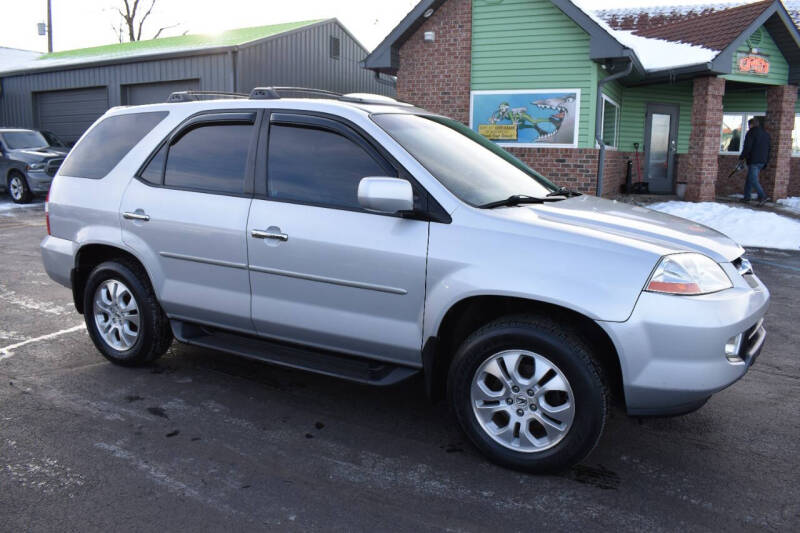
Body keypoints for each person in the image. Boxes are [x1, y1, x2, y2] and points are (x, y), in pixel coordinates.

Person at [739, 117, 771, 205]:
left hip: (754, 160)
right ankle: (747, 197)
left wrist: (742, 157)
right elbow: (769, 149)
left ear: (751, 125)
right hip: (762, 160)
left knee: (753, 179)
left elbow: (747, 147)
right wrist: (766, 161)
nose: (749, 127)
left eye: (749, 125)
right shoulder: (766, 134)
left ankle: (763, 196)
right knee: (749, 179)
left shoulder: (751, 133)